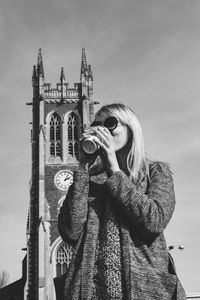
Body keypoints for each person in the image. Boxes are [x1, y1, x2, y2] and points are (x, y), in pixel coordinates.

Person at [57, 103, 186, 300]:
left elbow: (154, 221)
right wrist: (82, 167)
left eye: (110, 123)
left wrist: (114, 171)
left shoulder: (155, 172)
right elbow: (70, 232)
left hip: (144, 291)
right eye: (96, 125)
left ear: (131, 129)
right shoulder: (89, 179)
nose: (102, 130)